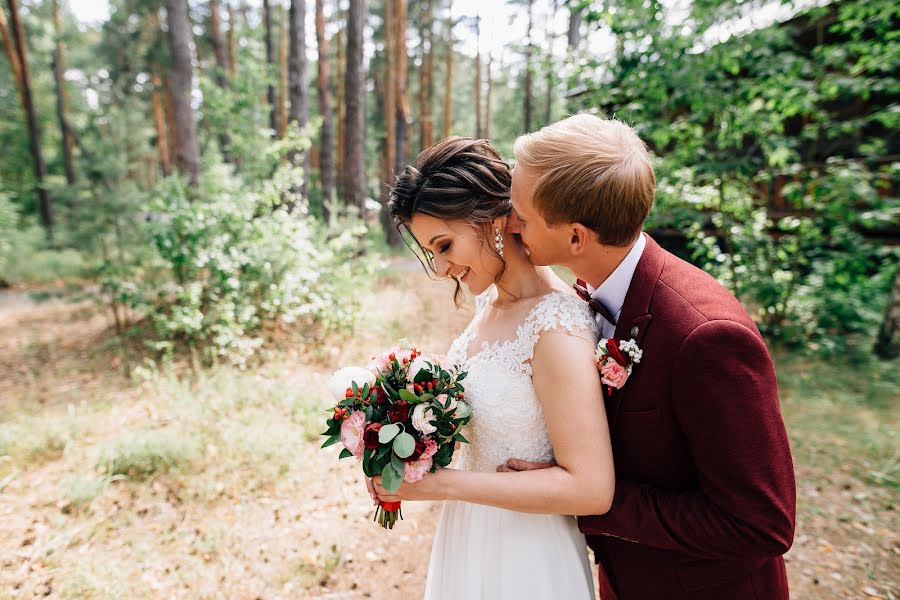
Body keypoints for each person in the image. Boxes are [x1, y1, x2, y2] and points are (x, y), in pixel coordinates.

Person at [497, 113, 796, 599]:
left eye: (521, 216)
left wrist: (589, 497)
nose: (510, 224)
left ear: (576, 236)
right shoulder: (578, 300)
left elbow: (762, 525)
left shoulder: (708, 337)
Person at [371, 136, 615, 599]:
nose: (441, 269)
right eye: (431, 253)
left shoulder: (555, 326)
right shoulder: (488, 307)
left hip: (528, 558)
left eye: (445, 245)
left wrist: (443, 485)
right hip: (468, 538)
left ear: (494, 217)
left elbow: (592, 488)